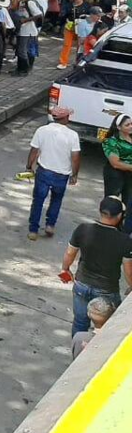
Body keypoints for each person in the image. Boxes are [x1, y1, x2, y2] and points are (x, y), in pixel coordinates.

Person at [61, 196, 132, 336]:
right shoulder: (124, 241)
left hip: (82, 284)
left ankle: (79, 351)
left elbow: (70, 253)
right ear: (119, 216)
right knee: (107, 328)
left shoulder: (83, 229)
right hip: (106, 290)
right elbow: (128, 270)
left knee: (80, 322)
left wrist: (65, 269)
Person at [27, 106, 81, 239]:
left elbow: (34, 150)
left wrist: (29, 166)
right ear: (66, 118)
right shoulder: (72, 135)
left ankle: (33, 230)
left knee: (38, 200)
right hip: (62, 175)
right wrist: (74, 174)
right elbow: (75, 157)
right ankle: (50, 225)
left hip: (44, 171)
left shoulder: (42, 130)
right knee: (56, 200)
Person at [102, 114, 132, 222]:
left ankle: (123, 226)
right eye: (127, 125)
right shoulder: (111, 141)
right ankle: (107, 224)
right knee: (111, 201)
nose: (131, 126)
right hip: (115, 174)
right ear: (119, 127)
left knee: (129, 202)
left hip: (129, 175)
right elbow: (115, 163)